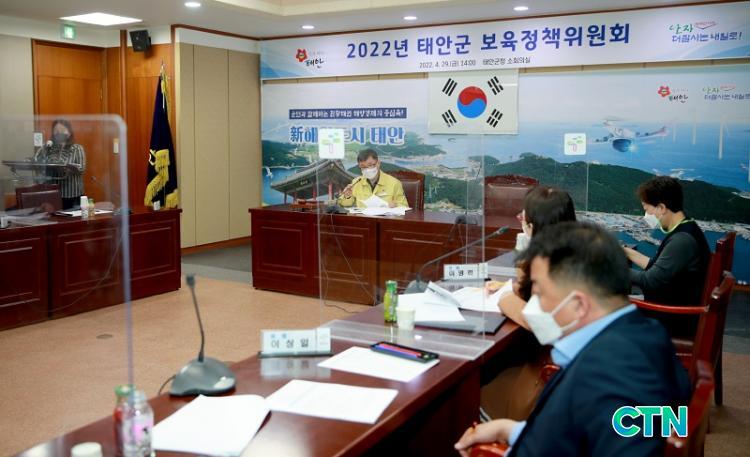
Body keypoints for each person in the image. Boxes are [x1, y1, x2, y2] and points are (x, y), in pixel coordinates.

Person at [456, 222, 690, 457]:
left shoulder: (615, 377)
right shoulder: (643, 333)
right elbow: (584, 428)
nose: (534, 305)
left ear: (578, 305)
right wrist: (513, 431)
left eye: (539, 293)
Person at [486, 185, 577, 327]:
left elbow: (545, 323)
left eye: (522, 218)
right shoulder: (578, 250)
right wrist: (519, 289)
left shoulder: (551, 263)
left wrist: (506, 300)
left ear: (532, 226)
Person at [623, 176, 710, 307]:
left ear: (661, 208)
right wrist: (626, 251)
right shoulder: (686, 228)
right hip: (669, 301)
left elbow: (649, 281)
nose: (646, 215)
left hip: (669, 312)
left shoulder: (682, 240)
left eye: (646, 210)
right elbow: (657, 267)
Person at [33, 119, 86, 209]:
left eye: (62, 130)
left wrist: (68, 168)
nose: (59, 133)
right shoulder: (49, 147)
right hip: (53, 193)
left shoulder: (77, 148)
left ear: (69, 132)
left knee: (72, 217)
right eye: (56, 130)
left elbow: (82, 169)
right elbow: (39, 163)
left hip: (72, 194)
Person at [337, 149, 408, 208]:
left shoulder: (394, 183)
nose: (367, 169)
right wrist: (347, 196)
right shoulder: (356, 182)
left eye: (370, 165)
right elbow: (345, 204)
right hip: (364, 219)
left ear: (378, 163)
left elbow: (404, 207)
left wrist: (395, 206)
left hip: (386, 219)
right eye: (363, 167)